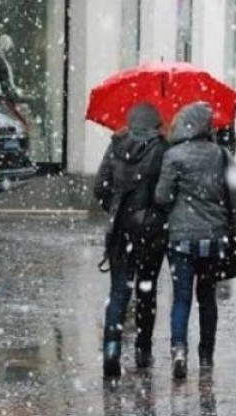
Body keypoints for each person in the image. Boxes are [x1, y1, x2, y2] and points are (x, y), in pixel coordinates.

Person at [154, 102, 236, 379]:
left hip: (180, 239)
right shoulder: (221, 154)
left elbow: (162, 197)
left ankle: (179, 350)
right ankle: (206, 355)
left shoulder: (173, 156)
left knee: (181, 298)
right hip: (213, 238)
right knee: (207, 298)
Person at [94, 103, 169, 377]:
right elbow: (164, 193)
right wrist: (155, 212)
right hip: (150, 231)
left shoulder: (116, 145)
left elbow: (100, 187)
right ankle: (143, 350)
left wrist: (115, 207)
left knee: (118, 291)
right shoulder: (162, 148)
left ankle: (111, 351)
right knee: (146, 290)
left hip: (120, 230)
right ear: (155, 123)